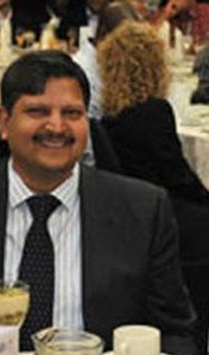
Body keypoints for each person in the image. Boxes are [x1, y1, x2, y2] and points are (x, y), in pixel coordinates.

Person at [0, 50, 203, 355]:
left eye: (72, 113)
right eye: (38, 111)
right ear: (4, 122)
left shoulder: (142, 209)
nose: (56, 127)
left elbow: (177, 335)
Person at [99, 21, 209, 266]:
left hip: (130, 211)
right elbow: (177, 175)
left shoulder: (110, 116)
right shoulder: (154, 111)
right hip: (162, 212)